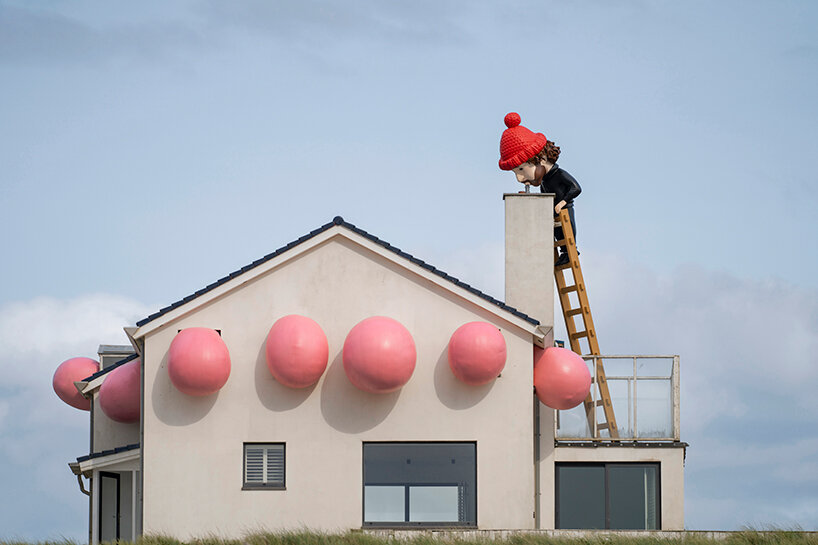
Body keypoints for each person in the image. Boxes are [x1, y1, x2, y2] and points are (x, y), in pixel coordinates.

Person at [498, 112, 582, 266]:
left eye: (522, 170)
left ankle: (570, 252)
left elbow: (576, 188)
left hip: (564, 210)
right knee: (556, 233)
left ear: (541, 159)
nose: (520, 178)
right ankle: (563, 253)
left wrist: (562, 202)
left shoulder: (559, 175)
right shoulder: (544, 180)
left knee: (566, 232)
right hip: (553, 211)